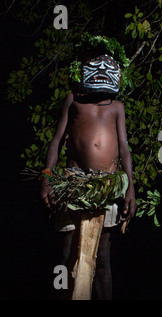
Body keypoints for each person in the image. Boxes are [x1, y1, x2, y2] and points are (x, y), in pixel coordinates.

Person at [40, 34, 136, 300]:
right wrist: (47, 177)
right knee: (68, 253)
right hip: (73, 183)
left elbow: (124, 149)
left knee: (102, 258)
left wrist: (131, 190)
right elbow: (57, 141)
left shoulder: (117, 107)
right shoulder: (74, 100)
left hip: (106, 187)